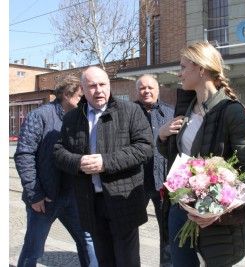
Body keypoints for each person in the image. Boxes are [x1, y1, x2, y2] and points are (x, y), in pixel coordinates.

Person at [157, 41, 245, 267]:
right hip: (179, 210)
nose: (179, 73)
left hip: (214, 220)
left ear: (201, 68)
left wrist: (218, 209)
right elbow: (179, 158)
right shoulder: (185, 108)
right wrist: (162, 137)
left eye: (183, 67)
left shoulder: (232, 112)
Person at [53, 66, 154, 267]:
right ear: (82, 88)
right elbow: (58, 152)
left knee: (128, 261)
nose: (98, 90)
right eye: (92, 86)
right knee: (104, 259)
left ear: (109, 85)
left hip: (123, 200)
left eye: (102, 84)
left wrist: (105, 162)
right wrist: (78, 162)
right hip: (90, 201)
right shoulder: (72, 118)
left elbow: (145, 148)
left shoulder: (130, 111)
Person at [14, 76, 98, 267]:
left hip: (73, 196)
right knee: (33, 249)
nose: (84, 100)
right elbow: (24, 155)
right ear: (67, 95)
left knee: (87, 240)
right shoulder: (40, 116)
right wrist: (34, 194)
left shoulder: (80, 118)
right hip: (44, 198)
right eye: (80, 96)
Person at [135, 74, 174, 267]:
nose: (146, 91)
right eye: (142, 88)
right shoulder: (128, 112)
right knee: (129, 230)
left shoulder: (170, 113)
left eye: (150, 87)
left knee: (167, 230)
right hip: (136, 183)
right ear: (137, 91)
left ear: (157, 89)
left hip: (164, 184)